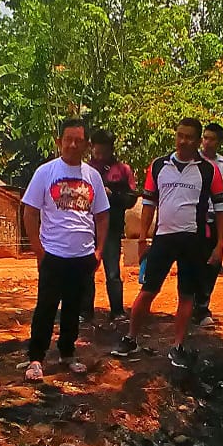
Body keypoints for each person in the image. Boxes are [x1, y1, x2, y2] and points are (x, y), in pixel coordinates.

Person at [112, 117, 223, 369]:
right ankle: (131, 338)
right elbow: (148, 203)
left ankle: (177, 346)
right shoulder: (158, 166)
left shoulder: (209, 170)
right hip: (163, 239)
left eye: (189, 137)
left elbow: (220, 208)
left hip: (194, 240)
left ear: (197, 141)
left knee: (186, 294)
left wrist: (219, 245)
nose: (183, 141)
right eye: (180, 135)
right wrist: (142, 238)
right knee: (148, 290)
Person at [22, 117, 109, 382]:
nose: (72, 145)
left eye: (78, 141)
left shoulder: (92, 176)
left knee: (73, 308)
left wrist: (99, 251)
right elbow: (30, 212)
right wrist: (39, 251)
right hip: (53, 254)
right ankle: (36, 358)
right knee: (46, 308)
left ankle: (67, 354)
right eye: (68, 140)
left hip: (83, 256)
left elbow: (102, 215)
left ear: (86, 145)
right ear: (59, 141)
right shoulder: (45, 172)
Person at [81, 129, 138, 324]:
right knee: (86, 270)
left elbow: (131, 199)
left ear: (111, 149)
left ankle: (117, 311)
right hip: (87, 228)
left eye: (103, 152)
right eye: (97, 152)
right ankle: (85, 312)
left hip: (112, 228)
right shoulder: (84, 170)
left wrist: (112, 195)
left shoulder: (123, 170)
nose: (99, 156)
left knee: (112, 271)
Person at [193, 121, 223, 328]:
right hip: (194, 216)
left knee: (213, 262)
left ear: (219, 142)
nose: (207, 142)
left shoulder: (222, 163)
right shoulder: (193, 159)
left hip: (214, 216)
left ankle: (202, 305)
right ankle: (193, 305)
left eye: (212, 139)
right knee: (194, 261)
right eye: (205, 138)